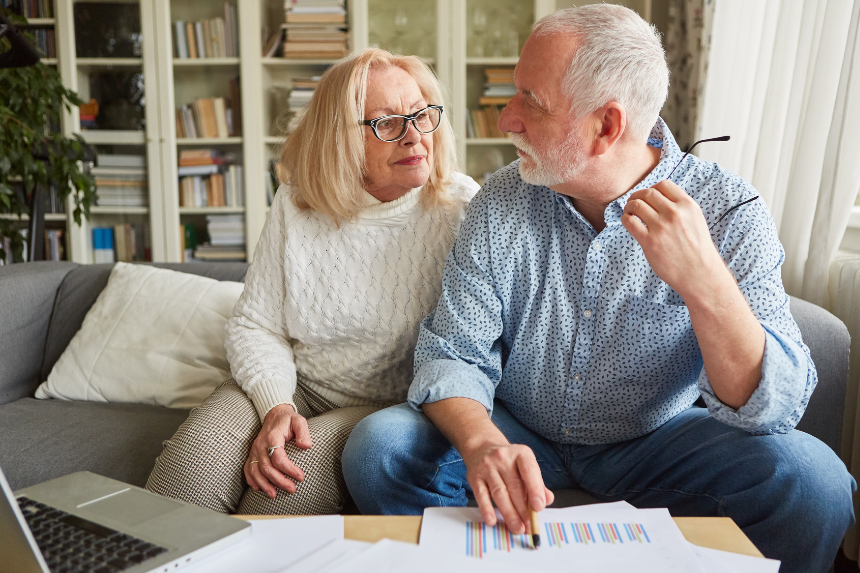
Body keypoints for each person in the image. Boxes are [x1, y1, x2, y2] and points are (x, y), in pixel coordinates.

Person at [341, 6, 855, 572]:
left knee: (815, 482)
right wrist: (484, 444)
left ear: (606, 126)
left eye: (530, 102)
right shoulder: (499, 202)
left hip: (659, 441)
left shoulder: (729, 209)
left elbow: (772, 409)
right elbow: (453, 354)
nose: (504, 118)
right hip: (519, 431)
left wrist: (705, 282)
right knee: (381, 450)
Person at [145, 48, 479, 516]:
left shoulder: (463, 208)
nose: (413, 136)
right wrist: (276, 406)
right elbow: (256, 325)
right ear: (340, 139)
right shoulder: (297, 202)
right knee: (187, 474)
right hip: (299, 385)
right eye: (386, 123)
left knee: (276, 495)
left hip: (388, 409)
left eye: (422, 115)